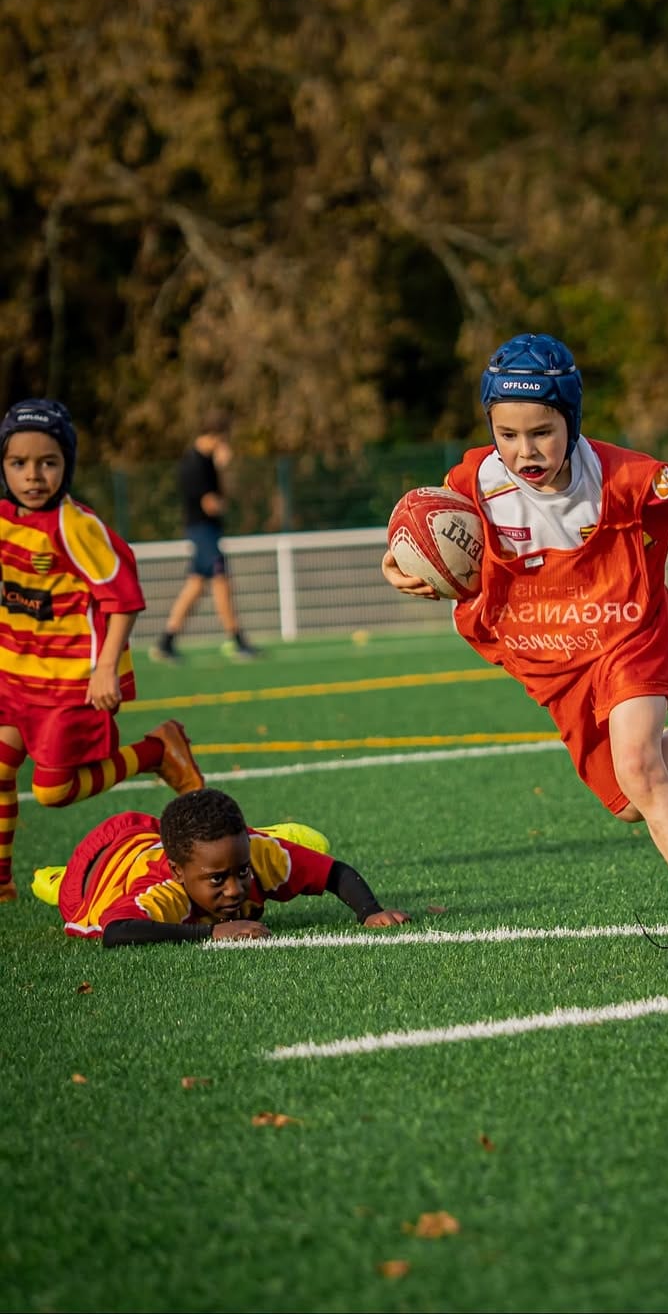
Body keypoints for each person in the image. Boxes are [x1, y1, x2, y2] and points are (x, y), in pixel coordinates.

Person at [381, 333, 668, 961]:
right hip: (550, 655)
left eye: (542, 432)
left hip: (628, 632)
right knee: (628, 800)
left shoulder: (618, 476)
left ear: (572, 419)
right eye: (507, 434)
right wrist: (401, 567)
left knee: (640, 768)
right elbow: (421, 532)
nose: (523, 450)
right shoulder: (474, 480)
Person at [0, 398, 204, 904]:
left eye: (47, 462)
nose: (32, 476)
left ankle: (157, 751)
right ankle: (1, 881)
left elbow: (124, 598)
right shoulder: (4, 518)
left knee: (52, 791)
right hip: (14, 675)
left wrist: (106, 668)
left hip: (70, 683)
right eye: (17, 463)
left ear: (67, 464)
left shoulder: (77, 528)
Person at [32, 786, 409, 945]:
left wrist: (369, 911)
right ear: (178, 873)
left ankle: (276, 835)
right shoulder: (164, 892)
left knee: (291, 854)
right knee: (71, 899)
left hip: (170, 841)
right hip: (101, 870)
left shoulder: (254, 853)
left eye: (240, 872)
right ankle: (55, 877)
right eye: (217, 879)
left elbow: (334, 872)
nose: (234, 889)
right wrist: (213, 933)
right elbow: (119, 931)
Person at [152, 409, 259, 664]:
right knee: (221, 580)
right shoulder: (196, 464)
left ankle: (166, 642)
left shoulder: (202, 461)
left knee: (196, 585)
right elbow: (212, 504)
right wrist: (223, 473)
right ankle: (238, 640)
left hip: (203, 531)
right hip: (203, 531)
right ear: (217, 436)